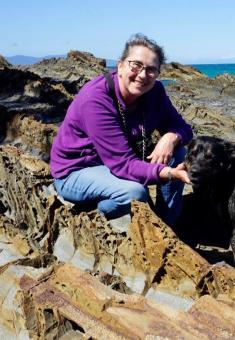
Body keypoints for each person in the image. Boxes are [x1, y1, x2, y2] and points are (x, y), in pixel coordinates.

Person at [50, 33, 192, 227]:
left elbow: (184, 128)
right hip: (77, 170)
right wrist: (169, 173)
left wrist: (171, 137)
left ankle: (168, 224)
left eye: (151, 69)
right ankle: (94, 213)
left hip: (115, 163)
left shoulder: (155, 92)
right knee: (135, 193)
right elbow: (123, 165)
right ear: (120, 66)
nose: (142, 75)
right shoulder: (96, 99)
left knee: (179, 153)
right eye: (136, 65)